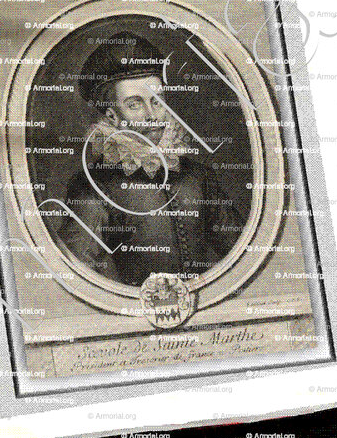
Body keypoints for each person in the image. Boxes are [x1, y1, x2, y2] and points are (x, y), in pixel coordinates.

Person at [55, 31, 245, 287]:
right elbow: (77, 279)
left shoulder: (198, 177)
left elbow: (242, 256)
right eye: (135, 104)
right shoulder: (93, 187)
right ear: (112, 116)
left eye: (156, 102)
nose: (152, 115)